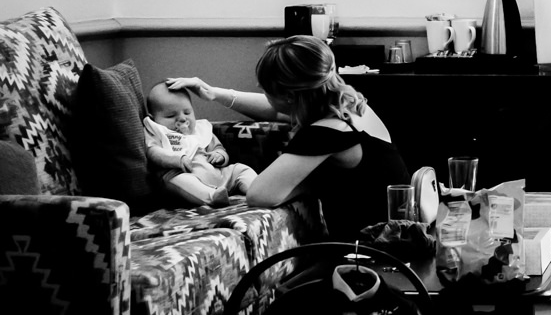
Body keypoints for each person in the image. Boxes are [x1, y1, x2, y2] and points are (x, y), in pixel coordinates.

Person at [168, 36, 408, 242]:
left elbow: (259, 194)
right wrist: (214, 93)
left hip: (369, 249)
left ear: (290, 97)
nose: (263, 93)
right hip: (399, 234)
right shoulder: (350, 106)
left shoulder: (325, 132)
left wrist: (306, 181)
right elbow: (275, 111)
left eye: (267, 91)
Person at [143, 81, 258, 207]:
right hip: (187, 176)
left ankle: (257, 189)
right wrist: (177, 159)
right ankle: (212, 196)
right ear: (153, 118)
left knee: (241, 169)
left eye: (187, 112)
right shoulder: (157, 132)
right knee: (178, 181)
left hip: (219, 174)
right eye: (171, 115)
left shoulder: (200, 129)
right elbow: (153, 151)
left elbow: (219, 147)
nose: (182, 119)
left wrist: (219, 155)